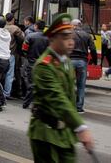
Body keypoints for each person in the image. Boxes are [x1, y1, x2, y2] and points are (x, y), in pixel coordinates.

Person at [28, 13, 94, 163]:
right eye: (65, 37)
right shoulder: (44, 66)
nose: (70, 42)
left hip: (65, 134)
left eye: (71, 37)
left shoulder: (66, 62)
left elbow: (70, 97)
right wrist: (80, 127)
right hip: (46, 134)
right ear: (52, 39)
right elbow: (58, 99)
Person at [70, 19, 97, 113]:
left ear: (73, 25)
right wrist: (94, 60)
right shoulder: (87, 35)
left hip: (70, 61)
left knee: (68, 83)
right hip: (82, 61)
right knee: (81, 85)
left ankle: (68, 105)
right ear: (80, 25)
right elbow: (93, 49)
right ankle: (79, 108)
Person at [21, 20, 48, 109]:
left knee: (31, 84)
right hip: (43, 64)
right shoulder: (48, 38)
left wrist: (28, 56)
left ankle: (26, 103)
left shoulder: (30, 36)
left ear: (36, 26)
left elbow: (24, 49)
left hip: (31, 63)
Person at [4, 13, 25, 99]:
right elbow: (22, 38)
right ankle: (7, 93)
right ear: (13, 19)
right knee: (9, 74)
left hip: (2, 53)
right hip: (11, 53)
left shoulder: (2, 27)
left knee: (1, 73)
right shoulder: (15, 28)